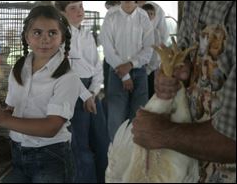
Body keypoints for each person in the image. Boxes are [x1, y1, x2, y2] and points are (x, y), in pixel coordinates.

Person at [132, 1, 236, 183]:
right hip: (196, 170)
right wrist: (175, 74)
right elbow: (184, 52)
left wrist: (163, 133)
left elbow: (232, 139)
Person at [0, 5, 81, 183]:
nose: (44, 39)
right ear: (27, 37)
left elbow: (51, 127)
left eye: (52, 33)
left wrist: (3, 120)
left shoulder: (68, 77)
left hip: (50, 156)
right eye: (37, 32)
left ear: (62, 38)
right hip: (17, 153)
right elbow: (13, 110)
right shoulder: (19, 68)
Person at [55, 1, 109, 183]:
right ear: (62, 12)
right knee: (80, 147)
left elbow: (97, 65)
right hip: (74, 92)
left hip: (91, 91)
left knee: (102, 141)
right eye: (73, 8)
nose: (79, 11)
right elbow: (67, 72)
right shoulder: (60, 36)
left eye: (80, 6)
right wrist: (85, 95)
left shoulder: (86, 34)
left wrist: (93, 92)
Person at [99, 1, 154, 141]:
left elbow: (149, 48)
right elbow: (108, 49)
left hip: (139, 72)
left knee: (139, 119)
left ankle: (135, 157)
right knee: (116, 121)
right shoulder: (111, 16)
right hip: (117, 71)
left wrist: (130, 64)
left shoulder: (143, 17)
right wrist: (124, 75)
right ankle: (116, 157)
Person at [138, 1, 169, 98]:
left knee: (149, 91)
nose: (149, 15)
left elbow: (163, 36)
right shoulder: (124, 8)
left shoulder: (156, 9)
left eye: (151, 14)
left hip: (150, 62)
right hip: (128, 61)